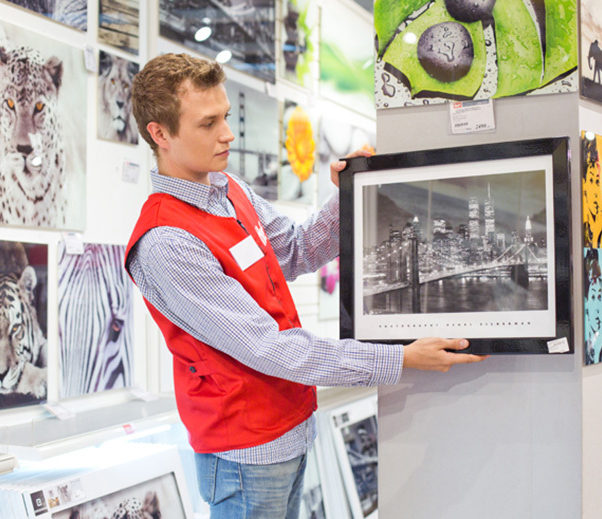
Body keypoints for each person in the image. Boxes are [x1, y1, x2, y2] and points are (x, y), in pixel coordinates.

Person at [125, 53, 486, 519]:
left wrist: (348, 194)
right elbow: (269, 348)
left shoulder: (230, 191)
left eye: (227, 117)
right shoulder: (166, 242)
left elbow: (296, 249)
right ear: (160, 134)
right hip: (245, 453)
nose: (228, 134)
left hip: (288, 429)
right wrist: (398, 358)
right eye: (208, 123)